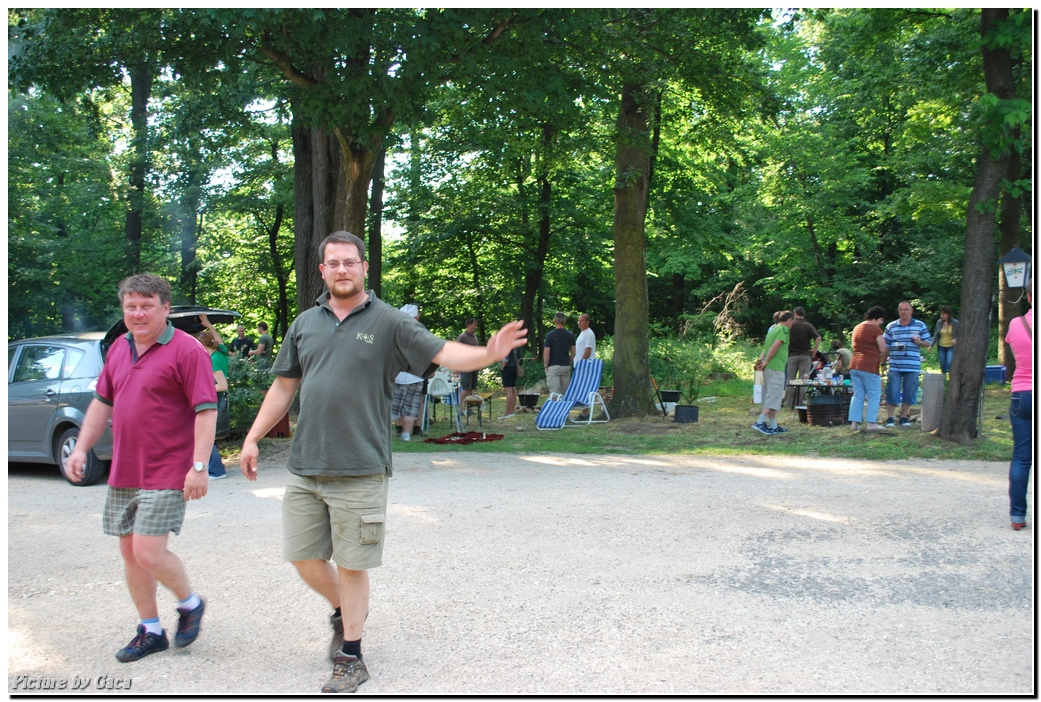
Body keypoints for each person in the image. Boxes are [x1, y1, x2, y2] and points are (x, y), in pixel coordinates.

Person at [238, 231, 526, 694]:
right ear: (323, 270)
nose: (343, 270)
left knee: (353, 566)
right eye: (334, 263)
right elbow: (283, 387)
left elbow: (442, 352)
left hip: (362, 464)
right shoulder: (305, 323)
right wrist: (252, 437)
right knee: (302, 557)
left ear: (364, 267)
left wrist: (489, 353)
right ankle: (346, 610)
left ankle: (351, 655)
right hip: (305, 464)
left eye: (350, 262)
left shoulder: (390, 322)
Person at [66, 273, 216, 663]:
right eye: (131, 306)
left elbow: (206, 410)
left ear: (166, 308)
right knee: (130, 552)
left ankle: (190, 602)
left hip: (169, 467)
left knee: (149, 552)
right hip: (126, 467)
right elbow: (103, 402)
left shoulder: (187, 350)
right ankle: (149, 629)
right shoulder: (119, 347)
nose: (138, 313)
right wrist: (81, 448)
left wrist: (198, 466)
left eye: (147, 305)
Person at [1005, 282, 1032, 531]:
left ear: (1029, 296)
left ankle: (1017, 516)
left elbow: (1015, 353)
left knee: (1022, 458)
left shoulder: (1015, 324)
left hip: (1022, 393)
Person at [883, 301, 932, 427]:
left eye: (906, 309)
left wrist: (919, 342)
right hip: (895, 365)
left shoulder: (920, 325)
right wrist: (883, 362)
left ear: (911, 311)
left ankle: (904, 416)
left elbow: (928, 343)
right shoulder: (891, 326)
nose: (903, 312)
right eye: (901, 309)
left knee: (909, 391)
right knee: (892, 391)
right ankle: (890, 417)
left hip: (912, 365)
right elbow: (885, 346)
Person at [196, 314, 230, 480]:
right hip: (219, 399)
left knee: (205, 433)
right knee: (206, 433)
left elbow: (223, 385)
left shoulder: (214, 360)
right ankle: (213, 468)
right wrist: (208, 324)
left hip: (216, 399)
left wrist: (202, 390)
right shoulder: (220, 351)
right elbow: (218, 338)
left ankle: (217, 471)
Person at [848, 306, 889, 433]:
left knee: (858, 395)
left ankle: (854, 423)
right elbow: (883, 349)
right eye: (881, 320)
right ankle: (871, 423)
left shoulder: (857, 328)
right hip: (869, 366)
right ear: (876, 318)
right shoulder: (875, 330)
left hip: (854, 364)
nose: (881, 323)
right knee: (874, 394)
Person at [753, 310, 794, 435]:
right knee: (774, 395)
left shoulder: (773, 329)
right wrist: (766, 361)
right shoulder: (783, 330)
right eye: (792, 321)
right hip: (776, 367)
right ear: (789, 320)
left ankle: (773, 425)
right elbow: (775, 346)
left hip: (769, 368)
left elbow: (766, 347)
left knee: (769, 394)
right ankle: (760, 422)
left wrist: (761, 361)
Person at [391, 304, 425, 442]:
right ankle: (406, 434)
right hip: (416, 375)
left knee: (393, 406)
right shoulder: (420, 333)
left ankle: (387, 432)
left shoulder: (395, 332)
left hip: (398, 375)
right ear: (416, 317)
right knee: (411, 407)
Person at [783, 307, 822, 409]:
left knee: (790, 379)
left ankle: (788, 403)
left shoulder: (790, 325)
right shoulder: (808, 326)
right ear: (803, 315)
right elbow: (818, 337)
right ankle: (799, 403)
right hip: (805, 356)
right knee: (803, 380)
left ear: (795, 314)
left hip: (792, 355)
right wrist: (814, 349)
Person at [543, 312, 576, 396]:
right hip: (565, 366)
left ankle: (555, 408)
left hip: (553, 366)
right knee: (566, 393)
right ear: (564, 321)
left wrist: (546, 365)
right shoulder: (570, 335)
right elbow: (573, 352)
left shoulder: (549, 335)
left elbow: (546, 353)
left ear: (554, 321)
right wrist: (568, 361)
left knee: (555, 394)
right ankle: (565, 408)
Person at [928, 306, 959, 376]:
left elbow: (960, 335)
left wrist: (955, 339)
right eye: (941, 314)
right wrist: (931, 345)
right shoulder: (939, 322)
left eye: (943, 314)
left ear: (948, 314)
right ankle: (943, 378)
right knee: (942, 364)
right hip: (941, 346)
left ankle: (951, 377)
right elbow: (936, 334)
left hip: (951, 347)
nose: (941, 316)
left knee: (949, 362)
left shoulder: (955, 323)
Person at [456, 318, 480, 403]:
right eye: (474, 325)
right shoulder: (462, 337)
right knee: (466, 388)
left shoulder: (474, 336)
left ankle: (469, 407)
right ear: (469, 325)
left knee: (471, 388)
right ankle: (461, 408)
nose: (476, 327)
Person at [499, 346, 520, 419]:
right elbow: (519, 357)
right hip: (514, 367)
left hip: (507, 368)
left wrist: (502, 367)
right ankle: (512, 411)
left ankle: (507, 412)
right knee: (513, 389)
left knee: (508, 391)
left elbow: (506, 358)